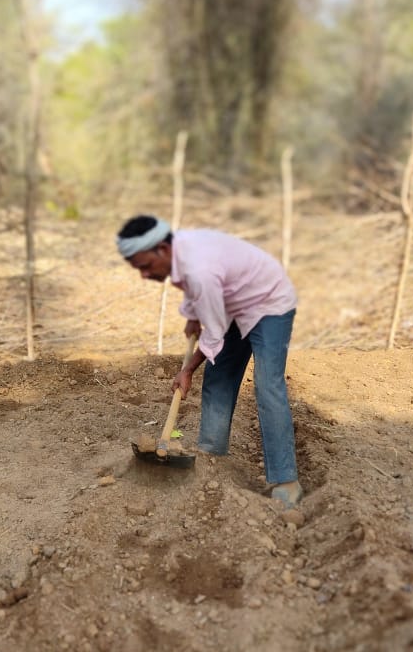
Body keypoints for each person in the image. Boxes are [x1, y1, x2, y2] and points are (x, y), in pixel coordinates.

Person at [117, 214, 302, 507]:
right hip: (233, 302)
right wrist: (193, 315)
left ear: (162, 250)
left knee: (268, 385)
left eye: (146, 266)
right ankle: (211, 458)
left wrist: (187, 370)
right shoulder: (181, 254)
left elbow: (213, 333)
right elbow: (199, 293)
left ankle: (285, 481)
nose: (144, 275)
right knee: (218, 378)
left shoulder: (199, 268)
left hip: (268, 303)